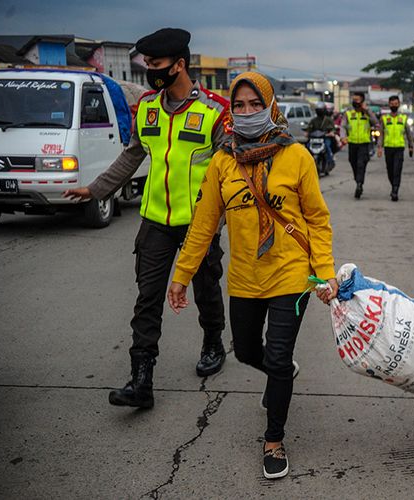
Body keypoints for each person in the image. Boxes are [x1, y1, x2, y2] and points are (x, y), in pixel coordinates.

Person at [167, 71, 338, 480]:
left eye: (254, 105)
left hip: (290, 274)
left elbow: (317, 219)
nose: (246, 113)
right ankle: (280, 372)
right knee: (244, 351)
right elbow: (204, 223)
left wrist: (325, 273)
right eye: (238, 106)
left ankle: (274, 440)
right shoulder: (223, 161)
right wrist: (182, 273)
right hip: (245, 276)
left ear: (269, 106)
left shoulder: (296, 156)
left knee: (277, 358)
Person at [63, 28, 229, 408]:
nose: (151, 71)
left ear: (180, 65)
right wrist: (95, 189)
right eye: (148, 65)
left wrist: (217, 222)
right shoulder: (148, 108)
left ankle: (213, 341)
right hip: (155, 221)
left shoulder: (214, 111)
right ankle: (141, 380)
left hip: (198, 224)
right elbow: (132, 155)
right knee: (147, 298)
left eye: (156, 65)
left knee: (205, 290)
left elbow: (228, 173)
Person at [340, 92, 379, 199]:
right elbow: (342, 126)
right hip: (352, 143)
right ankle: (358, 181)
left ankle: (359, 184)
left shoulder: (367, 113)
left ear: (362, 101)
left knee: (361, 164)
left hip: (364, 143)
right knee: (353, 163)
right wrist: (343, 137)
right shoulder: (348, 114)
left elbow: (376, 122)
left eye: (357, 100)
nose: (355, 102)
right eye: (354, 99)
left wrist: (366, 111)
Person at [377, 95, 414, 201]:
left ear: (399, 104)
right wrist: (380, 147)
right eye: (392, 104)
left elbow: (408, 133)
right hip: (388, 147)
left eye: (396, 104)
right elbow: (381, 134)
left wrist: (411, 146)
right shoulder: (384, 118)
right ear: (389, 105)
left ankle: (395, 190)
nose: (394, 105)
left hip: (399, 147)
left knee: (397, 170)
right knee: (390, 170)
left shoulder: (403, 118)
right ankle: (393, 185)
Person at [306, 101, 336, 169]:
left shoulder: (328, 120)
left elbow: (333, 129)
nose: (319, 111)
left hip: (325, 138)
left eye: (321, 110)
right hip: (314, 139)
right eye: (318, 110)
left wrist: (331, 133)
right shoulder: (313, 120)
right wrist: (307, 133)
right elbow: (309, 128)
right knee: (307, 147)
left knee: (327, 146)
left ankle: (330, 161)